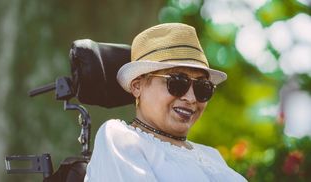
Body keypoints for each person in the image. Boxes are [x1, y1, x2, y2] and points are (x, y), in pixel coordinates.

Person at [84, 23, 247, 182]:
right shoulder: (120, 137)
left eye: (202, 87)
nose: (191, 98)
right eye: (177, 82)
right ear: (137, 86)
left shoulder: (212, 155)